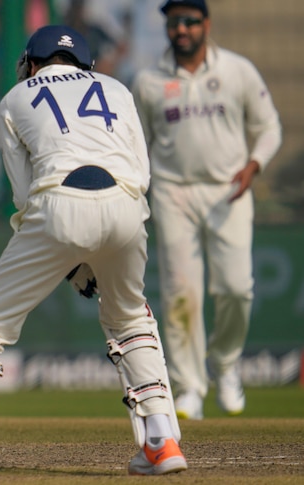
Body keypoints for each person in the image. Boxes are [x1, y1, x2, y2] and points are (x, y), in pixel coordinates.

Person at [0, 25, 187, 476]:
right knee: (130, 319)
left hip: (56, 204)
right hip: (128, 208)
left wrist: (66, 250)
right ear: (85, 64)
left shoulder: (14, 99)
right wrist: (93, 250)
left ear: (32, 62)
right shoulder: (116, 88)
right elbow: (141, 172)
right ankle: (162, 441)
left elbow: (24, 195)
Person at [131, 0, 282, 420]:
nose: (182, 29)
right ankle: (189, 387)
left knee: (237, 288)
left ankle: (226, 363)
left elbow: (269, 127)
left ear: (206, 24)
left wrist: (254, 166)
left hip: (228, 190)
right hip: (173, 193)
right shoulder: (148, 80)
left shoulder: (237, 70)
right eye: (174, 21)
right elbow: (135, 144)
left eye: (190, 21)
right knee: (182, 294)